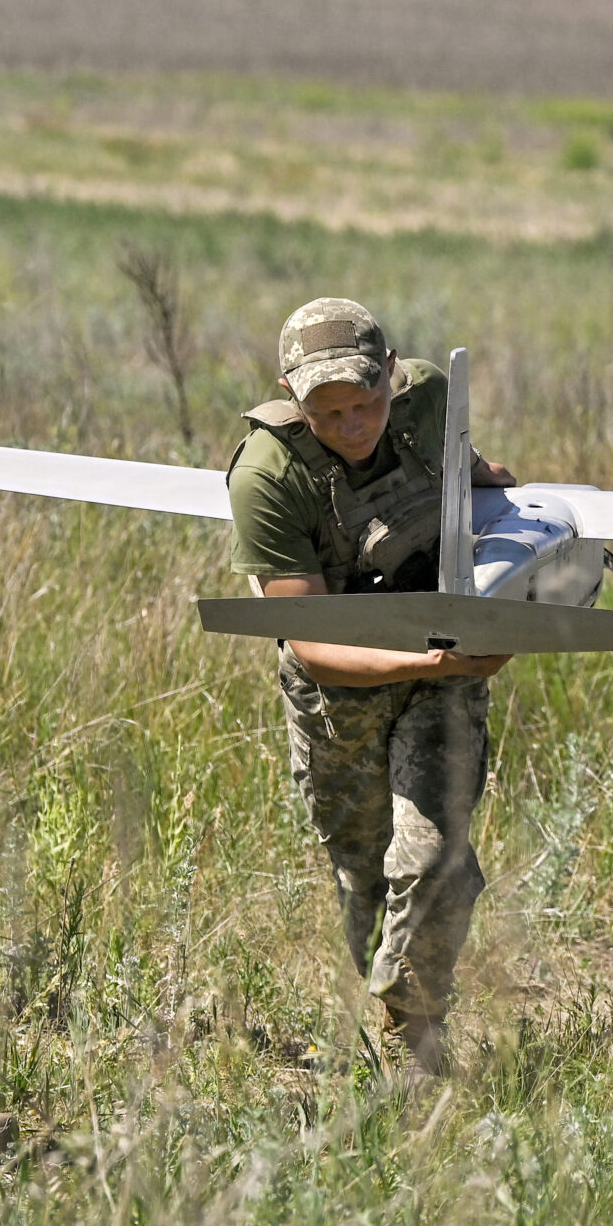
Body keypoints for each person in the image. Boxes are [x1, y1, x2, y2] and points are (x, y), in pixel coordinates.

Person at [225, 299, 517, 1078]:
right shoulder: (266, 476)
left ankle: (412, 1046)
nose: (354, 425)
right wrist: (427, 662)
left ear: (393, 375)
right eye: (329, 413)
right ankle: (389, 1023)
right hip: (341, 689)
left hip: (439, 660)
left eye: (368, 403)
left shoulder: (426, 397)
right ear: (290, 393)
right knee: (364, 873)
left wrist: (497, 507)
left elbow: (471, 473)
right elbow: (313, 644)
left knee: (433, 857)